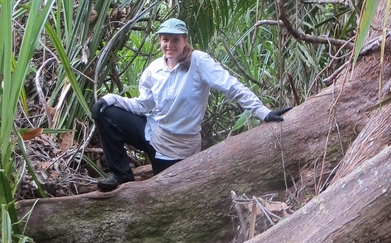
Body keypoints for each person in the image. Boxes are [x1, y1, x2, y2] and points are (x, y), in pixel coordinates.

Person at [91, 18, 290, 192]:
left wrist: (264, 112)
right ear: (160, 41)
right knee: (106, 113)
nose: (170, 44)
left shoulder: (198, 61)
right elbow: (143, 105)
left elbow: (232, 86)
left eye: (175, 39)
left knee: (167, 195)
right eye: (165, 39)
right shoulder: (154, 69)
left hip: (179, 149)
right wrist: (110, 99)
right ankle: (121, 175)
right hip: (154, 134)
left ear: (185, 41)